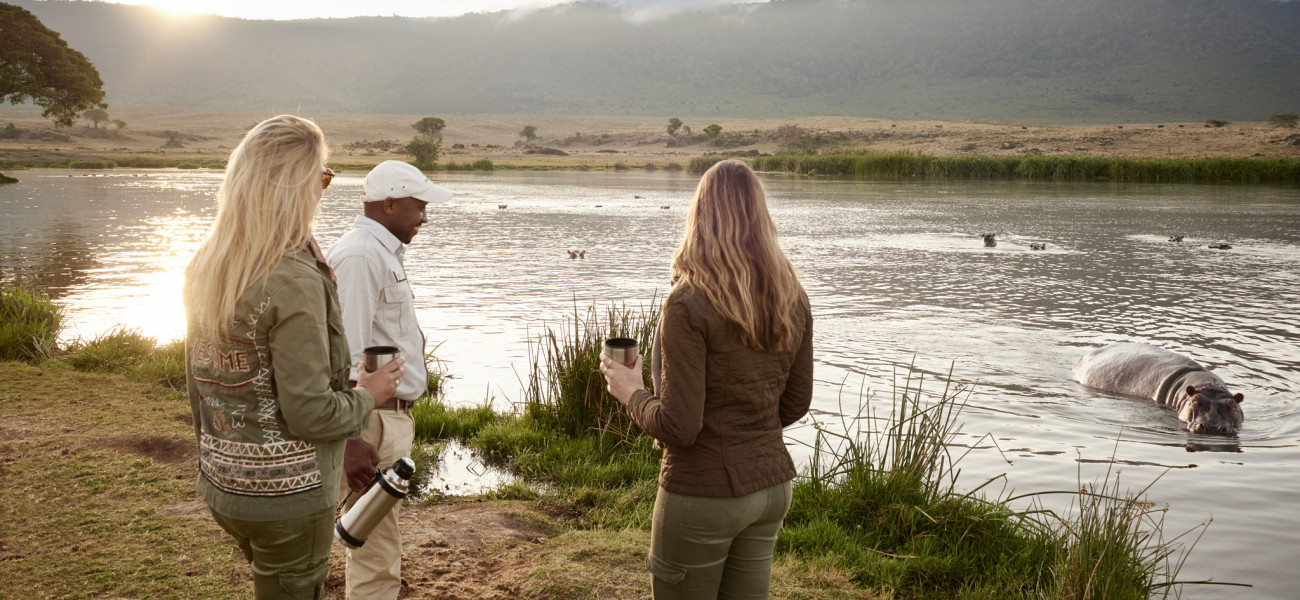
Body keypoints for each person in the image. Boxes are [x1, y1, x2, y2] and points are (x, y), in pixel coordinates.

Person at [183, 115, 405, 600]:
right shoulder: (296, 280)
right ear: (297, 186)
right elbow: (311, 413)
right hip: (288, 498)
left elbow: (198, 383)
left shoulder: (209, 263)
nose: (323, 191)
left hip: (224, 485)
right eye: (322, 178)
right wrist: (370, 394)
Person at [600, 159, 814, 599]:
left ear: (699, 216)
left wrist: (631, 392)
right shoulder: (792, 295)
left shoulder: (687, 303)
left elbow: (681, 427)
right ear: (760, 217)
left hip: (703, 495)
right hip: (771, 488)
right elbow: (795, 404)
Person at [326, 159, 452, 600]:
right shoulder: (361, 255)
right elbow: (343, 354)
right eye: (419, 206)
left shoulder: (376, 251)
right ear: (390, 204)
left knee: (372, 536)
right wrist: (349, 438)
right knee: (368, 545)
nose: (424, 216)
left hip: (381, 418)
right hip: (368, 421)